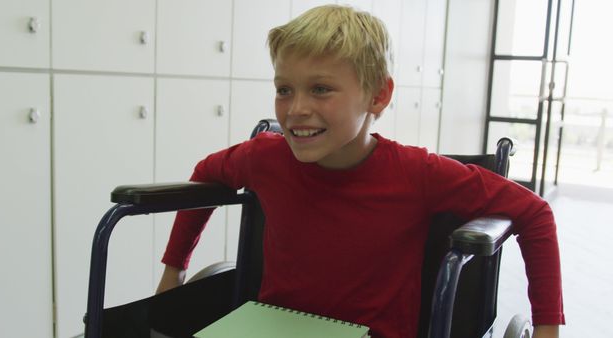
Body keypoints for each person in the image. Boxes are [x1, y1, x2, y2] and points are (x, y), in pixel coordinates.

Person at [156, 5, 564, 338]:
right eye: (284, 89)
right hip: (273, 327)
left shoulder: (416, 173)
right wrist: (174, 270)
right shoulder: (264, 157)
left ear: (378, 95)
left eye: (320, 89)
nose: (296, 108)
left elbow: (535, 213)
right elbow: (206, 172)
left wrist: (547, 327)